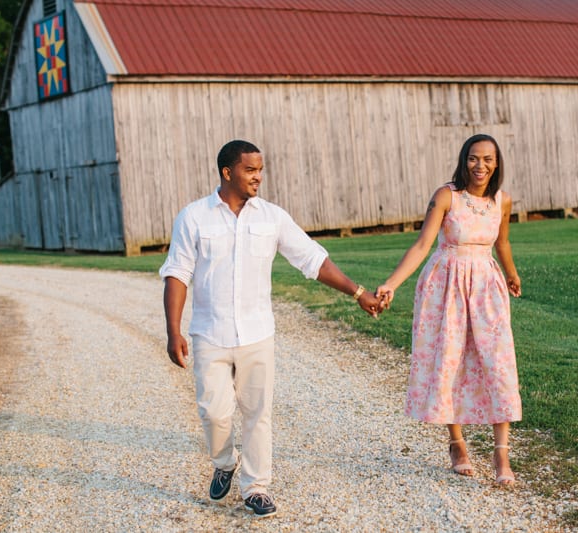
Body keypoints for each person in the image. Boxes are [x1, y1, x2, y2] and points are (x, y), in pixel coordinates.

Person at [160, 140, 382, 518]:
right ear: (228, 172)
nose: (258, 177)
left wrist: (358, 292)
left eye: (260, 169)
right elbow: (177, 274)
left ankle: (256, 487)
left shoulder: (272, 217)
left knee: (257, 412)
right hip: (209, 333)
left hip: (257, 333)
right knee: (214, 412)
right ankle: (225, 462)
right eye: (250, 170)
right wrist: (172, 330)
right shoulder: (194, 217)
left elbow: (312, 259)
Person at [376, 133, 522, 485]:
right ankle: (457, 443)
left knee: (498, 364)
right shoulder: (446, 196)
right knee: (450, 363)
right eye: (473, 158)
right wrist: (391, 283)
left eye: (487, 159)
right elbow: (423, 243)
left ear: (497, 163)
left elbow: (502, 242)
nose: (480, 165)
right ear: (463, 160)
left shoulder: (502, 201)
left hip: (487, 286)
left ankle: (501, 452)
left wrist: (513, 274)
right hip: (446, 286)